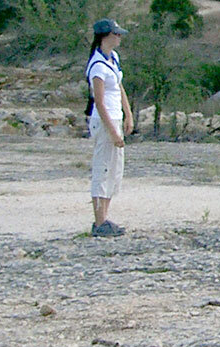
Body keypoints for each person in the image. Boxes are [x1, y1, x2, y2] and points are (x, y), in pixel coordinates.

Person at [86, 19, 133, 237]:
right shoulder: (97, 65)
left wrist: (127, 113)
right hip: (105, 120)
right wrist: (113, 131)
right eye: (116, 34)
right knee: (102, 168)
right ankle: (99, 220)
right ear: (106, 36)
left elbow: (120, 86)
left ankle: (105, 216)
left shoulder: (113, 59)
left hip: (115, 117)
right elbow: (99, 101)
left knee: (114, 170)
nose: (119, 37)